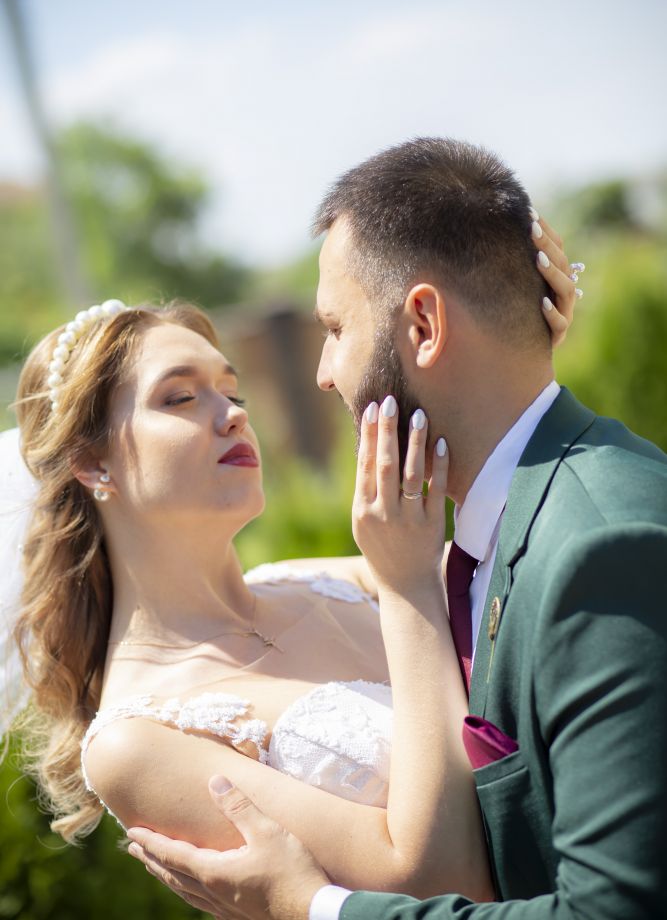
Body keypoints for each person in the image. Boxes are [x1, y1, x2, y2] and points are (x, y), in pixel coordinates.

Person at [125, 138, 667, 920]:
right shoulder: (491, 537)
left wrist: (316, 906)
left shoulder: (597, 551)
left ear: (421, 323)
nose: (323, 373)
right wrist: (509, 343)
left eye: (335, 328)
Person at [1, 213, 570, 902]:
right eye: (180, 397)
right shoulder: (135, 742)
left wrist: (512, 359)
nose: (233, 414)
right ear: (91, 462)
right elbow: (435, 880)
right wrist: (408, 588)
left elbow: (534, 564)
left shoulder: (323, 580)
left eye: (232, 391)